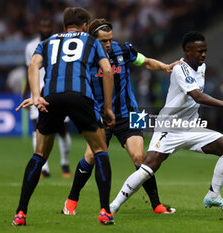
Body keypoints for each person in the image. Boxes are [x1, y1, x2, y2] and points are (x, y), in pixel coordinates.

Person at [109, 31, 223, 214]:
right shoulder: (180, 69)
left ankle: (213, 195)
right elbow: (196, 96)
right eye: (199, 51)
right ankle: (113, 205)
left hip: (191, 127)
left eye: (205, 50)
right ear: (187, 52)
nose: (203, 54)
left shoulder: (202, 67)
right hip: (170, 126)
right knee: (148, 168)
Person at [62, 18, 178, 215]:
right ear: (92, 40)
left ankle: (156, 205)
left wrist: (165, 67)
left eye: (109, 40)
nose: (108, 44)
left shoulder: (123, 50)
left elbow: (146, 62)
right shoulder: (83, 57)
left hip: (129, 113)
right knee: (90, 156)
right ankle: (71, 202)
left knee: (140, 158)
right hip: (99, 116)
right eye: (103, 41)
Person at [12, 7, 116, 226]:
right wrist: (107, 108)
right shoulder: (90, 41)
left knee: (39, 154)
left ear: (63, 25)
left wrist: (36, 96)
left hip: (52, 97)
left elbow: (33, 65)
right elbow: (107, 70)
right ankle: (105, 211)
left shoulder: (47, 42)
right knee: (100, 151)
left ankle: (20, 213)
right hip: (80, 96)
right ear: (86, 26)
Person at [23, 16, 72, 178]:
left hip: (57, 90)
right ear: (39, 27)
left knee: (62, 130)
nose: (45, 28)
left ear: (52, 27)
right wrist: (26, 91)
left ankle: (65, 163)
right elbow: (29, 69)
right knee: (38, 129)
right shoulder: (30, 46)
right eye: (42, 25)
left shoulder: (60, 43)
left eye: (48, 25)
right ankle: (44, 167)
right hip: (36, 92)